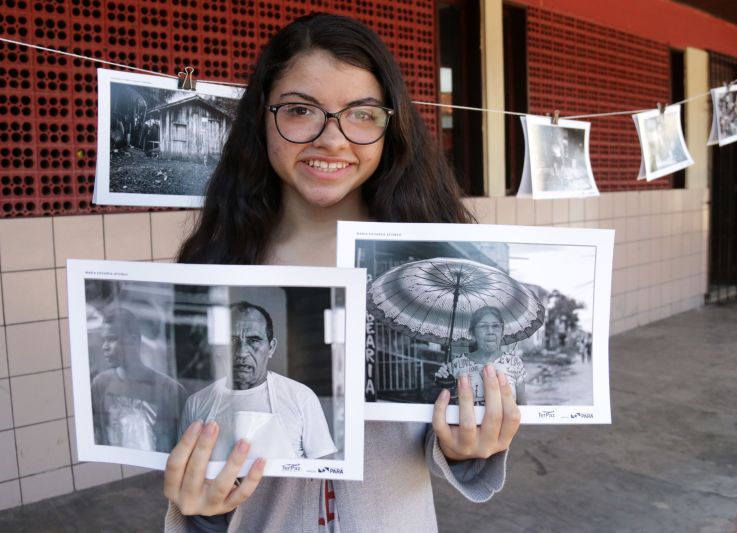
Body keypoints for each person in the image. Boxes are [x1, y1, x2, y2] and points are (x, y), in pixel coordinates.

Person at [163, 13, 521, 532]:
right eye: (300, 110)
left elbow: (437, 429)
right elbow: (195, 464)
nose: (332, 139)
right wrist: (201, 512)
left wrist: (467, 445)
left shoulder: (428, 261)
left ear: (390, 126)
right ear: (261, 118)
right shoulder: (216, 263)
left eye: (362, 113)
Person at [179, 301, 337, 460]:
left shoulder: (301, 397)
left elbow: (324, 469)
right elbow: (181, 464)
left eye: (253, 340)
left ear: (271, 347)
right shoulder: (196, 403)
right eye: (232, 340)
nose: (241, 353)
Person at [91, 307, 186, 453]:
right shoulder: (100, 385)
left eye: (112, 339)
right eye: (104, 340)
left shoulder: (171, 391)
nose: (105, 346)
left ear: (133, 341)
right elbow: (98, 436)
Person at [434, 306, 528, 406]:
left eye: (495, 326)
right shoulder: (457, 364)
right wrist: (443, 380)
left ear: (502, 332)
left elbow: (522, 405)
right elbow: (447, 403)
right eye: (483, 326)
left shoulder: (514, 363)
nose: (490, 331)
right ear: (473, 333)